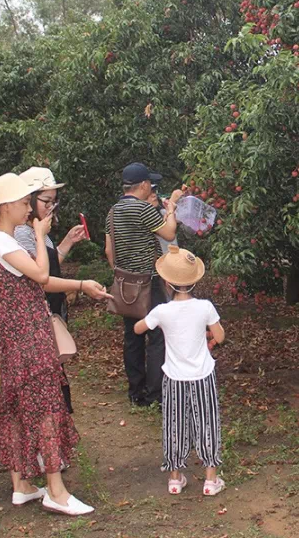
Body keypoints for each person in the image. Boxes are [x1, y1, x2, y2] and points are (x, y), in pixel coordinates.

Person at [0, 172, 110, 516]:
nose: (29, 208)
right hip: (28, 335)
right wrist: (39, 236)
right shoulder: (4, 241)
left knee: (17, 402)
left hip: (18, 333)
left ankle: (21, 484)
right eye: (25, 203)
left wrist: (81, 284)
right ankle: (56, 491)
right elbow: (40, 275)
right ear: (5, 206)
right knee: (45, 402)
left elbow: (42, 280)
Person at [135, 245, 225, 496]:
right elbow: (220, 335)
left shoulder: (162, 311)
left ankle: (174, 479)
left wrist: (154, 321)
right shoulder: (205, 307)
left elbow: (139, 329)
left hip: (174, 378)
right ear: (194, 280)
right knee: (207, 423)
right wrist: (205, 333)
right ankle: (210, 480)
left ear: (166, 282)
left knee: (174, 424)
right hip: (203, 376)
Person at [104, 162, 182, 407]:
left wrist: (122, 273)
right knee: (157, 335)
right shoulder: (143, 209)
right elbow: (169, 234)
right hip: (149, 282)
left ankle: (135, 392)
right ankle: (154, 394)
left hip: (126, 284)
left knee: (133, 336)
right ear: (145, 184)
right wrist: (171, 209)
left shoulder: (113, 211)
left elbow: (109, 250)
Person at [14, 166, 87, 413]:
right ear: (30, 199)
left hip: (52, 309)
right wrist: (80, 285)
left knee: (56, 367)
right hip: (37, 314)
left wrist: (67, 242)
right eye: (46, 201)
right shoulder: (22, 234)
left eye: (54, 202)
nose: (50, 207)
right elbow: (41, 278)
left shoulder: (40, 231)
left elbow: (50, 264)